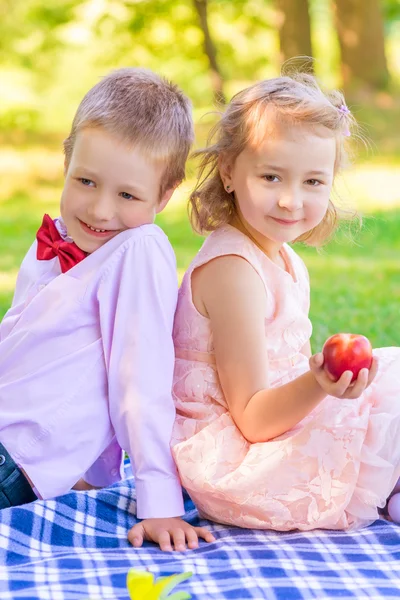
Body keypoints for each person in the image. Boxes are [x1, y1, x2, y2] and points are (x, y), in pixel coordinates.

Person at [171, 72, 400, 531]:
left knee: (385, 384)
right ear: (230, 171)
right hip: (241, 462)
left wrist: (330, 387)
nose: (291, 200)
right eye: (271, 176)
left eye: (313, 181)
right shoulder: (233, 271)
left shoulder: (286, 259)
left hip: (278, 429)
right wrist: (320, 385)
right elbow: (253, 419)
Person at [0, 67, 214, 551]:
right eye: (87, 181)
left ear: (164, 194)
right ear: (66, 160)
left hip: (13, 458)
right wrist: (90, 476)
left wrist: (158, 502)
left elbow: (139, 378)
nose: (99, 211)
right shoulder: (56, 238)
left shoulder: (139, 250)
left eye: (127, 195)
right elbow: (27, 348)